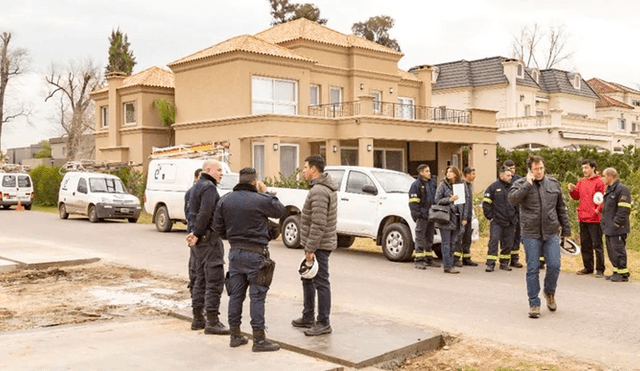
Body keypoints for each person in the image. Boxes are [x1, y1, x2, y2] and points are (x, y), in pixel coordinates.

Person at [214, 167, 285, 351]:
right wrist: (266, 192)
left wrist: (233, 237)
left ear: (239, 180)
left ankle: (235, 336)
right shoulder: (260, 200)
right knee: (257, 297)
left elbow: (218, 227)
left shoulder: (225, 200)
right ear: (255, 181)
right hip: (256, 254)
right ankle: (259, 340)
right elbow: (280, 210)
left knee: (235, 296)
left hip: (235, 253)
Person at [508, 155, 571, 319]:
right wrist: (528, 184)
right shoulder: (520, 184)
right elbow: (513, 200)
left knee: (555, 265)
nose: (539, 172)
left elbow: (561, 208)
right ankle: (534, 303)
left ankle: (549, 292)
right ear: (530, 170)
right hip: (531, 233)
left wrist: (566, 231)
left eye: (541, 168)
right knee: (533, 268)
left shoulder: (553, 184)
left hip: (551, 231)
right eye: (535, 169)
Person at [292, 155, 338, 336]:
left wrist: (310, 249)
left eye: (305, 167)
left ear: (313, 169)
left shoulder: (319, 191)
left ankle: (323, 322)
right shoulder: (321, 188)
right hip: (317, 243)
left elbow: (318, 223)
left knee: (321, 282)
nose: (303, 171)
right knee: (308, 278)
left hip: (319, 245)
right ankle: (308, 316)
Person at [185, 160, 229, 335]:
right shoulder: (209, 187)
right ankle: (212, 321)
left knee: (200, 279)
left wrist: (193, 233)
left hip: (198, 243)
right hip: (208, 240)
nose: (221, 173)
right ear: (208, 170)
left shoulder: (196, 186)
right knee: (214, 281)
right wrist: (196, 232)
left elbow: (192, 213)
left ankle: (197, 319)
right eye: (218, 170)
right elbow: (205, 212)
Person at [568, 159, 606, 278]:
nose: (584, 170)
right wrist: (572, 190)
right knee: (585, 244)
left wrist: (598, 210)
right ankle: (588, 267)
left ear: (593, 168)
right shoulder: (581, 181)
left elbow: (604, 198)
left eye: (586, 168)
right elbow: (576, 197)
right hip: (583, 217)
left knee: (597, 245)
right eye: (583, 168)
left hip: (595, 219)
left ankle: (600, 269)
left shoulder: (600, 181)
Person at [482, 165, 518, 272]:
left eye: (511, 175)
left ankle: (504, 263)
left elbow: (517, 203)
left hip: (510, 221)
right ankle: (490, 263)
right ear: (501, 176)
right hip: (497, 221)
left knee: (508, 243)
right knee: (493, 241)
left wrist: (516, 215)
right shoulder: (493, 187)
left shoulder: (513, 187)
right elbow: (486, 203)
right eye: (508, 175)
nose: (510, 177)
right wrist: (490, 217)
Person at [434, 166, 468, 274]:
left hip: (457, 218)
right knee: (446, 243)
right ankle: (447, 266)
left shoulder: (462, 185)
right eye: (447, 171)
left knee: (453, 243)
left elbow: (465, 202)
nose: (448, 173)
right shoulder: (442, 185)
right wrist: (449, 199)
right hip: (446, 218)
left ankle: (452, 264)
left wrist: (464, 217)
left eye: (451, 172)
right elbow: (437, 200)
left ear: (456, 173)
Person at [600, 167, 631, 282]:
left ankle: (623, 273)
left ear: (610, 176)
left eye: (603, 176)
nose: (602, 178)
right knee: (612, 251)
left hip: (617, 228)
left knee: (618, 250)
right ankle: (616, 271)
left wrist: (616, 223)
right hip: (609, 227)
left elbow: (624, 209)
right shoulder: (609, 189)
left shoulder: (621, 189)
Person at [408, 164, 441, 269]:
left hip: (431, 215)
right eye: (427, 171)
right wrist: (418, 214)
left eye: (429, 171)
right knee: (420, 237)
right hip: (422, 216)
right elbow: (413, 203)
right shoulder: (416, 185)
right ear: (421, 173)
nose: (429, 173)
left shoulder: (432, 183)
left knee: (429, 237)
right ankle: (419, 260)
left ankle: (428, 258)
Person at [185, 167, 203, 330]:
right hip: (196, 237)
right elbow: (190, 215)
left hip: (195, 235)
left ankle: (198, 307)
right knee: (196, 271)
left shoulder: (197, 191)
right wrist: (194, 232)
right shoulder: (193, 192)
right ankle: (197, 311)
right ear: (197, 177)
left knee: (196, 269)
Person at [454, 166, 478, 267]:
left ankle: (466, 258)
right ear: (467, 175)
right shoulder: (460, 185)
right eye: (472, 174)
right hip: (461, 217)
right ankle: (455, 259)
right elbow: (459, 203)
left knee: (467, 238)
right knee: (459, 238)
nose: (474, 176)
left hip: (468, 216)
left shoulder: (469, 185)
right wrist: (463, 217)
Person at [504, 159, 524, 268]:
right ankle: (504, 259)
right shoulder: (503, 180)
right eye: (510, 169)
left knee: (517, 236)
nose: (512, 171)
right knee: (507, 237)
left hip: (518, 212)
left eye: (513, 168)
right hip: (507, 213)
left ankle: (514, 259)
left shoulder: (519, 179)